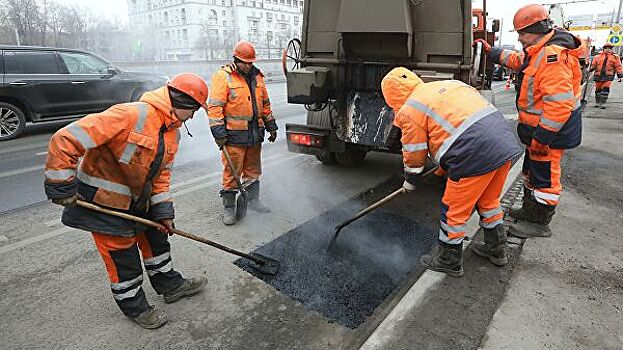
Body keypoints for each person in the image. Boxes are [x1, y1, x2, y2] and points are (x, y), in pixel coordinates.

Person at [44, 73, 209, 329]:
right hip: (103, 204)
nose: (194, 116)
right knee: (124, 262)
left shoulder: (171, 133)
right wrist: (61, 185)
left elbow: (161, 176)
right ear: (183, 102)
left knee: (157, 241)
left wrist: (163, 211)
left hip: (139, 202)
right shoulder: (129, 115)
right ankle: (136, 308)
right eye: (195, 110)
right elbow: (65, 139)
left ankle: (170, 286)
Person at [381, 67, 522, 277]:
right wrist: (441, 168)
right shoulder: (448, 85)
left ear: (391, 96)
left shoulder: (410, 109)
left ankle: (449, 260)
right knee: (489, 202)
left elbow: (414, 151)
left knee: (454, 210)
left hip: (473, 153)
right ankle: (497, 249)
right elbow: (454, 126)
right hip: (503, 145)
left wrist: (411, 180)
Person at [475, 3, 585, 238]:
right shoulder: (540, 49)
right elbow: (519, 61)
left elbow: (559, 104)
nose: (520, 39)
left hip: (550, 133)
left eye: (522, 34)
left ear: (537, 29)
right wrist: (491, 52)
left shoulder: (552, 57)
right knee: (533, 172)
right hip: (540, 131)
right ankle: (529, 210)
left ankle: (539, 223)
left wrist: (543, 138)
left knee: (545, 177)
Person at [208, 40, 278, 225]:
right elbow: (215, 107)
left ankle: (253, 200)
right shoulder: (223, 77)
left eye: (250, 62)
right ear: (235, 59)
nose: (247, 66)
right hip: (234, 136)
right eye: (243, 62)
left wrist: (271, 126)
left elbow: (265, 105)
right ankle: (229, 208)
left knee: (253, 170)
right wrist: (219, 134)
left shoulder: (258, 77)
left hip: (255, 134)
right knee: (232, 172)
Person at [589, 42, 623, 109]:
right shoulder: (597, 57)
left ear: (611, 49)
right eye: (606, 48)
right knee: (598, 89)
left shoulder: (615, 57)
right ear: (603, 49)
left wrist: (620, 76)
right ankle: (597, 102)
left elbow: (618, 66)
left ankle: (603, 103)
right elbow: (593, 65)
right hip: (598, 75)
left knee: (606, 88)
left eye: (609, 48)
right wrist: (591, 69)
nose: (608, 50)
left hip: (608, 76)